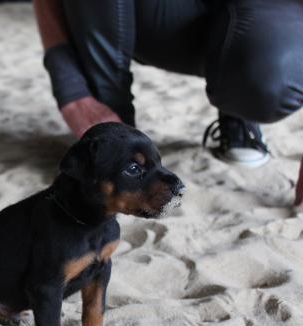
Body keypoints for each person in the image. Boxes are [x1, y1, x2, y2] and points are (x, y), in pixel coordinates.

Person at [33, 0, 303, 204]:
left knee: (269, 80)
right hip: (158, 14)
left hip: (268, 12)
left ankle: (238, 112)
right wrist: (72, 91)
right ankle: (114, 135)